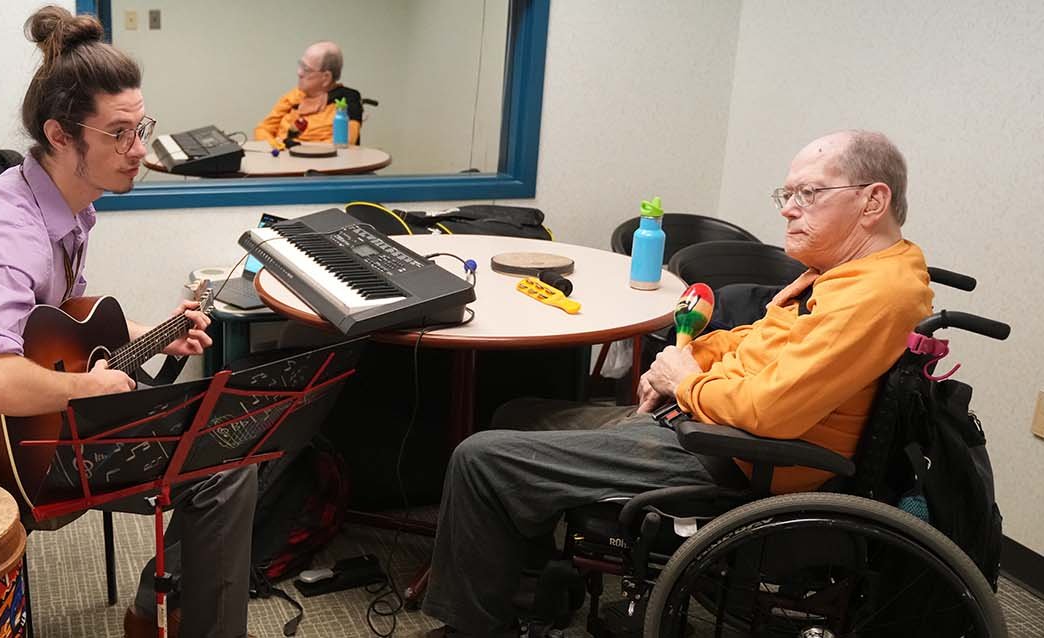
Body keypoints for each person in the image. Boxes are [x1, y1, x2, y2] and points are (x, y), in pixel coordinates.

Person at [420, 130, 934, 637]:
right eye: (787, 194)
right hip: (710, 422)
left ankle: (472, 627)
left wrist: (685, 382)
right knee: (517, 414)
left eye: (809, 193)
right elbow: (751, 340)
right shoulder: (845, 273)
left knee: (480, 457)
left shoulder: (875, 295)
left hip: (734, 456)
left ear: (873, 201)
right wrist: (678, 360)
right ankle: (529, 593)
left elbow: (772, 411)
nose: (788, 208)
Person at [0, 7, 255, 637]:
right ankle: (180, 609)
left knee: (225, 432)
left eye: (142, 126)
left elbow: (62, 338)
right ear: (61, 134)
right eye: (119, 134)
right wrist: (87, 387)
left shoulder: (68, 210)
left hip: (54, 412)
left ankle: (166, 600)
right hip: (8, 449)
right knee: (224, 462)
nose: (139, 151)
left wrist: (151, 339)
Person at [253, 41, 363, 147]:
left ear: (326, 77)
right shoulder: (294, 96)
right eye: (300, 65)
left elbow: (345, 143)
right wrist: (275, 146)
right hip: (281, 162)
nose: (299, 72)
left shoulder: (347, 101)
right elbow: (263, 129)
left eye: (306, 69)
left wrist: (297, 148)